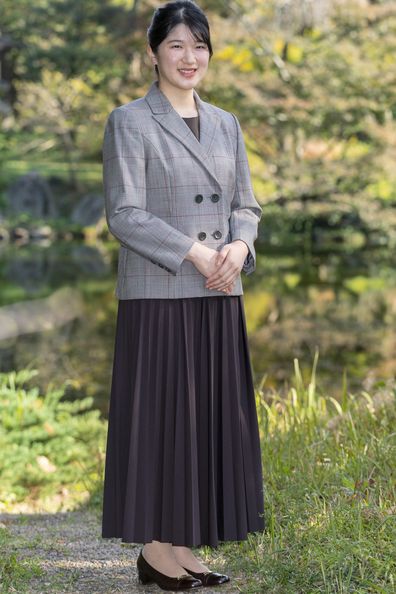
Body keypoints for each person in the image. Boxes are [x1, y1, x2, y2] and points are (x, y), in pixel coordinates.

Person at [101, 0, 265, 590]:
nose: (189, 56)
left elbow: (246, 204)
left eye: (199, 45)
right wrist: (197, 254)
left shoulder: (227, 123)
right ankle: (154, 548)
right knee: (162, 422)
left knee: (203, 423)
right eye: (176, 45)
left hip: (220, 291)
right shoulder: (130, 120)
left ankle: (182, 547)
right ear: (154, 53)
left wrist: (240, 249)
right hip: (160, 293)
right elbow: (125, 214)